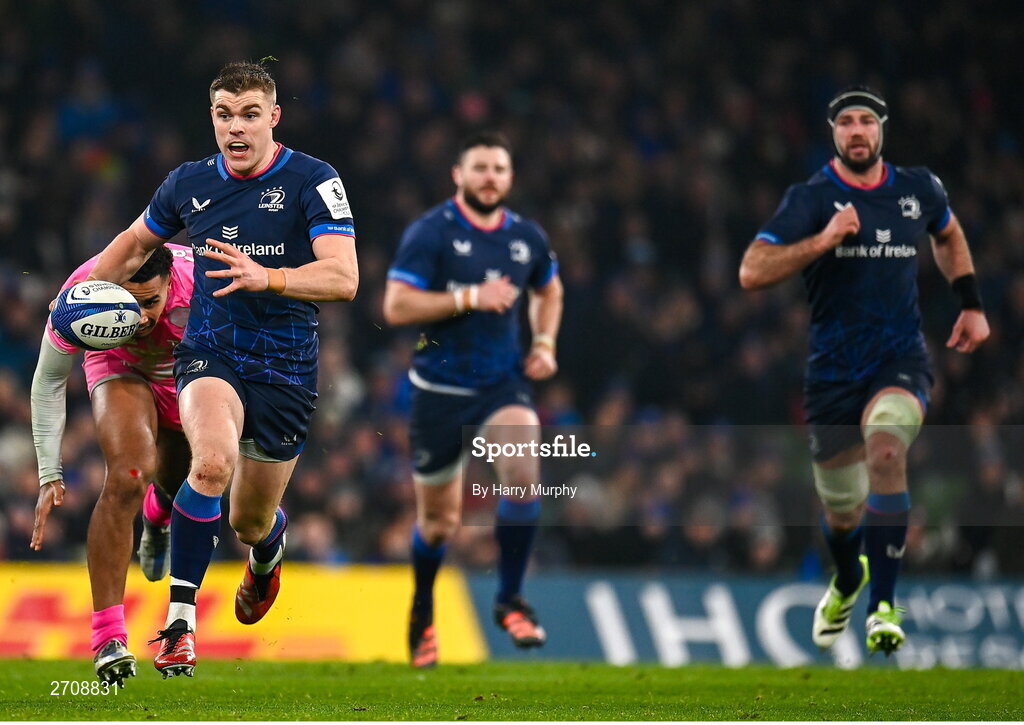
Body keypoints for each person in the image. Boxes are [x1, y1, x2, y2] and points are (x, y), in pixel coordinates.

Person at [86, 60, 358, 678]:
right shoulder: (187, 183)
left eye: (250, 115)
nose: (236, 127)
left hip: (287, 368)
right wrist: (82, 293)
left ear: (274, 117)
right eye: (224, 115)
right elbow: (134, 244)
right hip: (212, 352)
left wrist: (270, 277)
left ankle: (267, 552)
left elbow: (344, 278)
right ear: (212, 118)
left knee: (249, 520)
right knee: (209, 463)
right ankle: (180, 626)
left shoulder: (314, 180)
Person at [739, 86, 990, 655]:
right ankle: (849, 579)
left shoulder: (918, 189)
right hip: (832, 376)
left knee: (886, 450)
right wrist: (822, 241)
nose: (857, 131)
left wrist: (971, 303)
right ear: (833, 133)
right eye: (847, 122)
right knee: (842, 512)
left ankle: (883, 605)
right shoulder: (810, 198)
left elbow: (948, 233)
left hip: (899, 361)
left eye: (867, 121)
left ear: (882, 130)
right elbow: (752, 271)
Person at [383, 131, 563, 668]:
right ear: (458, 175)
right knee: (440, 523)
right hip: (439, 391)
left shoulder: (526, 237)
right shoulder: (431, 232)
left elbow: (549, 289)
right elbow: (396, 306)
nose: (490, 177)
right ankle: (422, 611)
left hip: (501, 385)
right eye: (480, 167)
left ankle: (510, 600)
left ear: (510, 177)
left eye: (499, 169)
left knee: (524, 471)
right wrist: (469, 297)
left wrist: (545, 342)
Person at [30, 244, 194, 686]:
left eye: (151, 302)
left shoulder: (204, 283)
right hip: (120, 366)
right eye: (128, 303)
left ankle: (159, 513)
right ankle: (108, 638)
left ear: (170, 283)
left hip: (188, 372)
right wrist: (49, 474)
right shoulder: (81, 295)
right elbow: (48, 380)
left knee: (180, 483)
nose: (140, 318)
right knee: (129, 474)